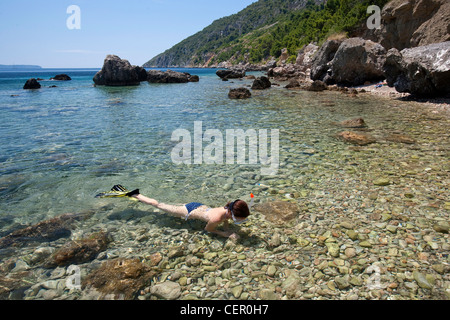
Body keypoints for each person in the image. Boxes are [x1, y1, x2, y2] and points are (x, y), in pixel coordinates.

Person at [96, 185, 250, 239]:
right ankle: (133, 194)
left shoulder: (227, 209)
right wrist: (225, 234)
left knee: (165, 204)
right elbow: (208, 229)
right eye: (240, 219)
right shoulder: (217, 219)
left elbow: (226, 221)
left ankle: (136, 196)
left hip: (197, 206)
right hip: (188, 211)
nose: (241, 221)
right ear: (231, 213)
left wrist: (228, 228)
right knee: (158, 205)